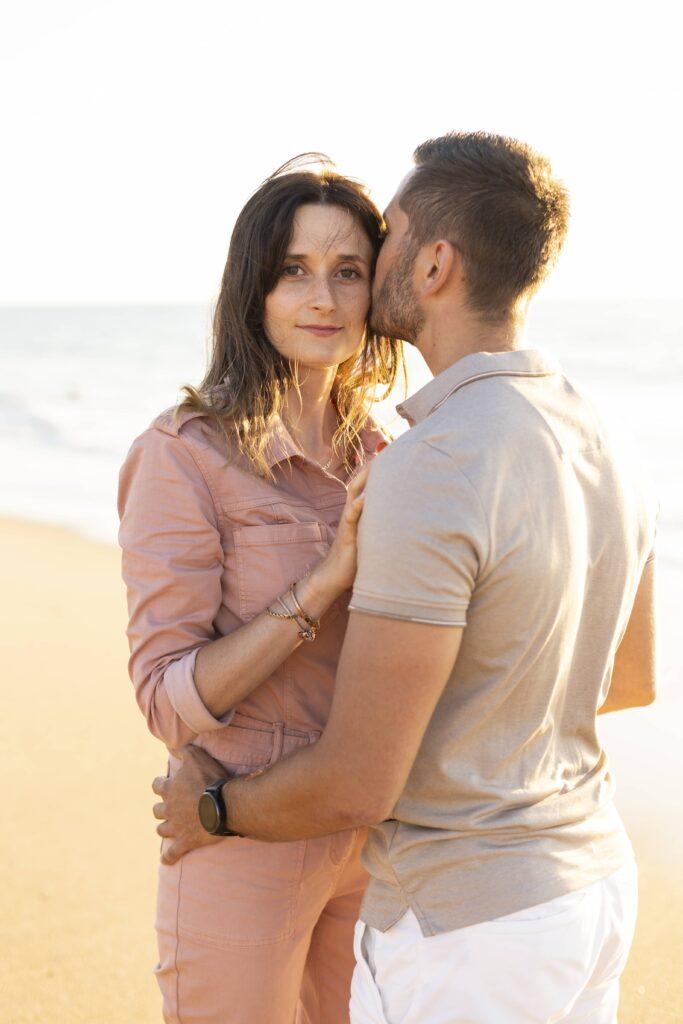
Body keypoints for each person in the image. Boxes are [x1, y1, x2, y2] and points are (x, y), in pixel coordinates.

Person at [154, 132, 658, 1024]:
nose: (345, 281)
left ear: (431, 264)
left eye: (370, 248)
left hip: (467, 920)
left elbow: (359, 782)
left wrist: (215, 811)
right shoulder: (599, 428)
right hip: (589, 886)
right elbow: (626, 681)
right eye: (295, 271)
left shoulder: (426, 462)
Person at [117, 158, 403, 1024]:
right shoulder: (183, 454)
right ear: (253, 289)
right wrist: (324, 581)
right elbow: (167, 700)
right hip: (240, 827)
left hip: (371, 833)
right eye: (293, 271)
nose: (322, 297)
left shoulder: (386, 457)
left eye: (346, 272)